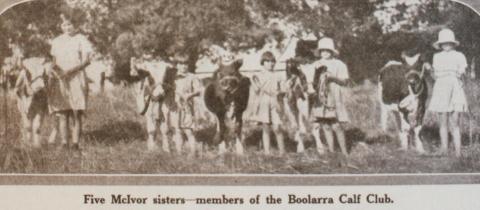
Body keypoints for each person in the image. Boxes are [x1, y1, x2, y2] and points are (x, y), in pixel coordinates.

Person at [48, 13, 94, 150]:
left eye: (70, 24)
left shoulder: (81, 39)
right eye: (64, 25)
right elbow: (54, 62)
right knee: (62, 113)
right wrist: (56, 72)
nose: (67, 27)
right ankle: (64, 144)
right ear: (61, 26)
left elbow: (86, 61)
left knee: (76, 112)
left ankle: (75, 144)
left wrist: (70, 71)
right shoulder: (56, 41)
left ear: (75, 25)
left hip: (76, 78)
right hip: (60, 79)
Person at [428, 28, 468, 157]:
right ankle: (444, 149)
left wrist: (460, 75)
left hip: (455, 87)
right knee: (443, 121)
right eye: (443, 43)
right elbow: (435, 76)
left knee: (455, 121)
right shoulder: (436, 56)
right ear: (440, 45)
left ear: (453, 43)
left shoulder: (459, 55)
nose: (446, 45)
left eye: (448, 42)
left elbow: (463, 72)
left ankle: (458, 152)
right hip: (441, 87)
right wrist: (430, 71)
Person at [310, 37, 350, 156]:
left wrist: (333, 78)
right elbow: (311, 81)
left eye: (327, 50)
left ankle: (344, 152)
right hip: (321, 96)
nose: (325, 53)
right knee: (325, 125)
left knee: (336, 125)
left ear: (332, 51)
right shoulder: (315, 65)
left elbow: (345, 81)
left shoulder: (339, 64)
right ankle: (332, 152)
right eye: (322, 51)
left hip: (334, 95)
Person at [250, 51, 286, 155]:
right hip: (263, 102)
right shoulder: (258, 75)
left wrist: (279, 92)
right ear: (263, 62)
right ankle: (267, 152)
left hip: (276, 103)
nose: (270, 64)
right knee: (265, 127)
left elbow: (284, 90)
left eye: (272, 61)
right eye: (267, 61)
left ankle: (282, 152)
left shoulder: (278, 75)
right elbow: (256, 90)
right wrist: (254, 83)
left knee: (277, 127)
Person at [171, 53, 202, 156]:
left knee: (188, 131)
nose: (183, 66)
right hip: (175, 107)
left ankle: (192, 153)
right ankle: (179, 153)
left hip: (187, 108)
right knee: (178, 130)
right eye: (181, 64)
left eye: (185, 64)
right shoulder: (173, 77)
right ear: (176, 65)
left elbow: (198, 90)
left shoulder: (192, 77)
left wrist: (190, 95)